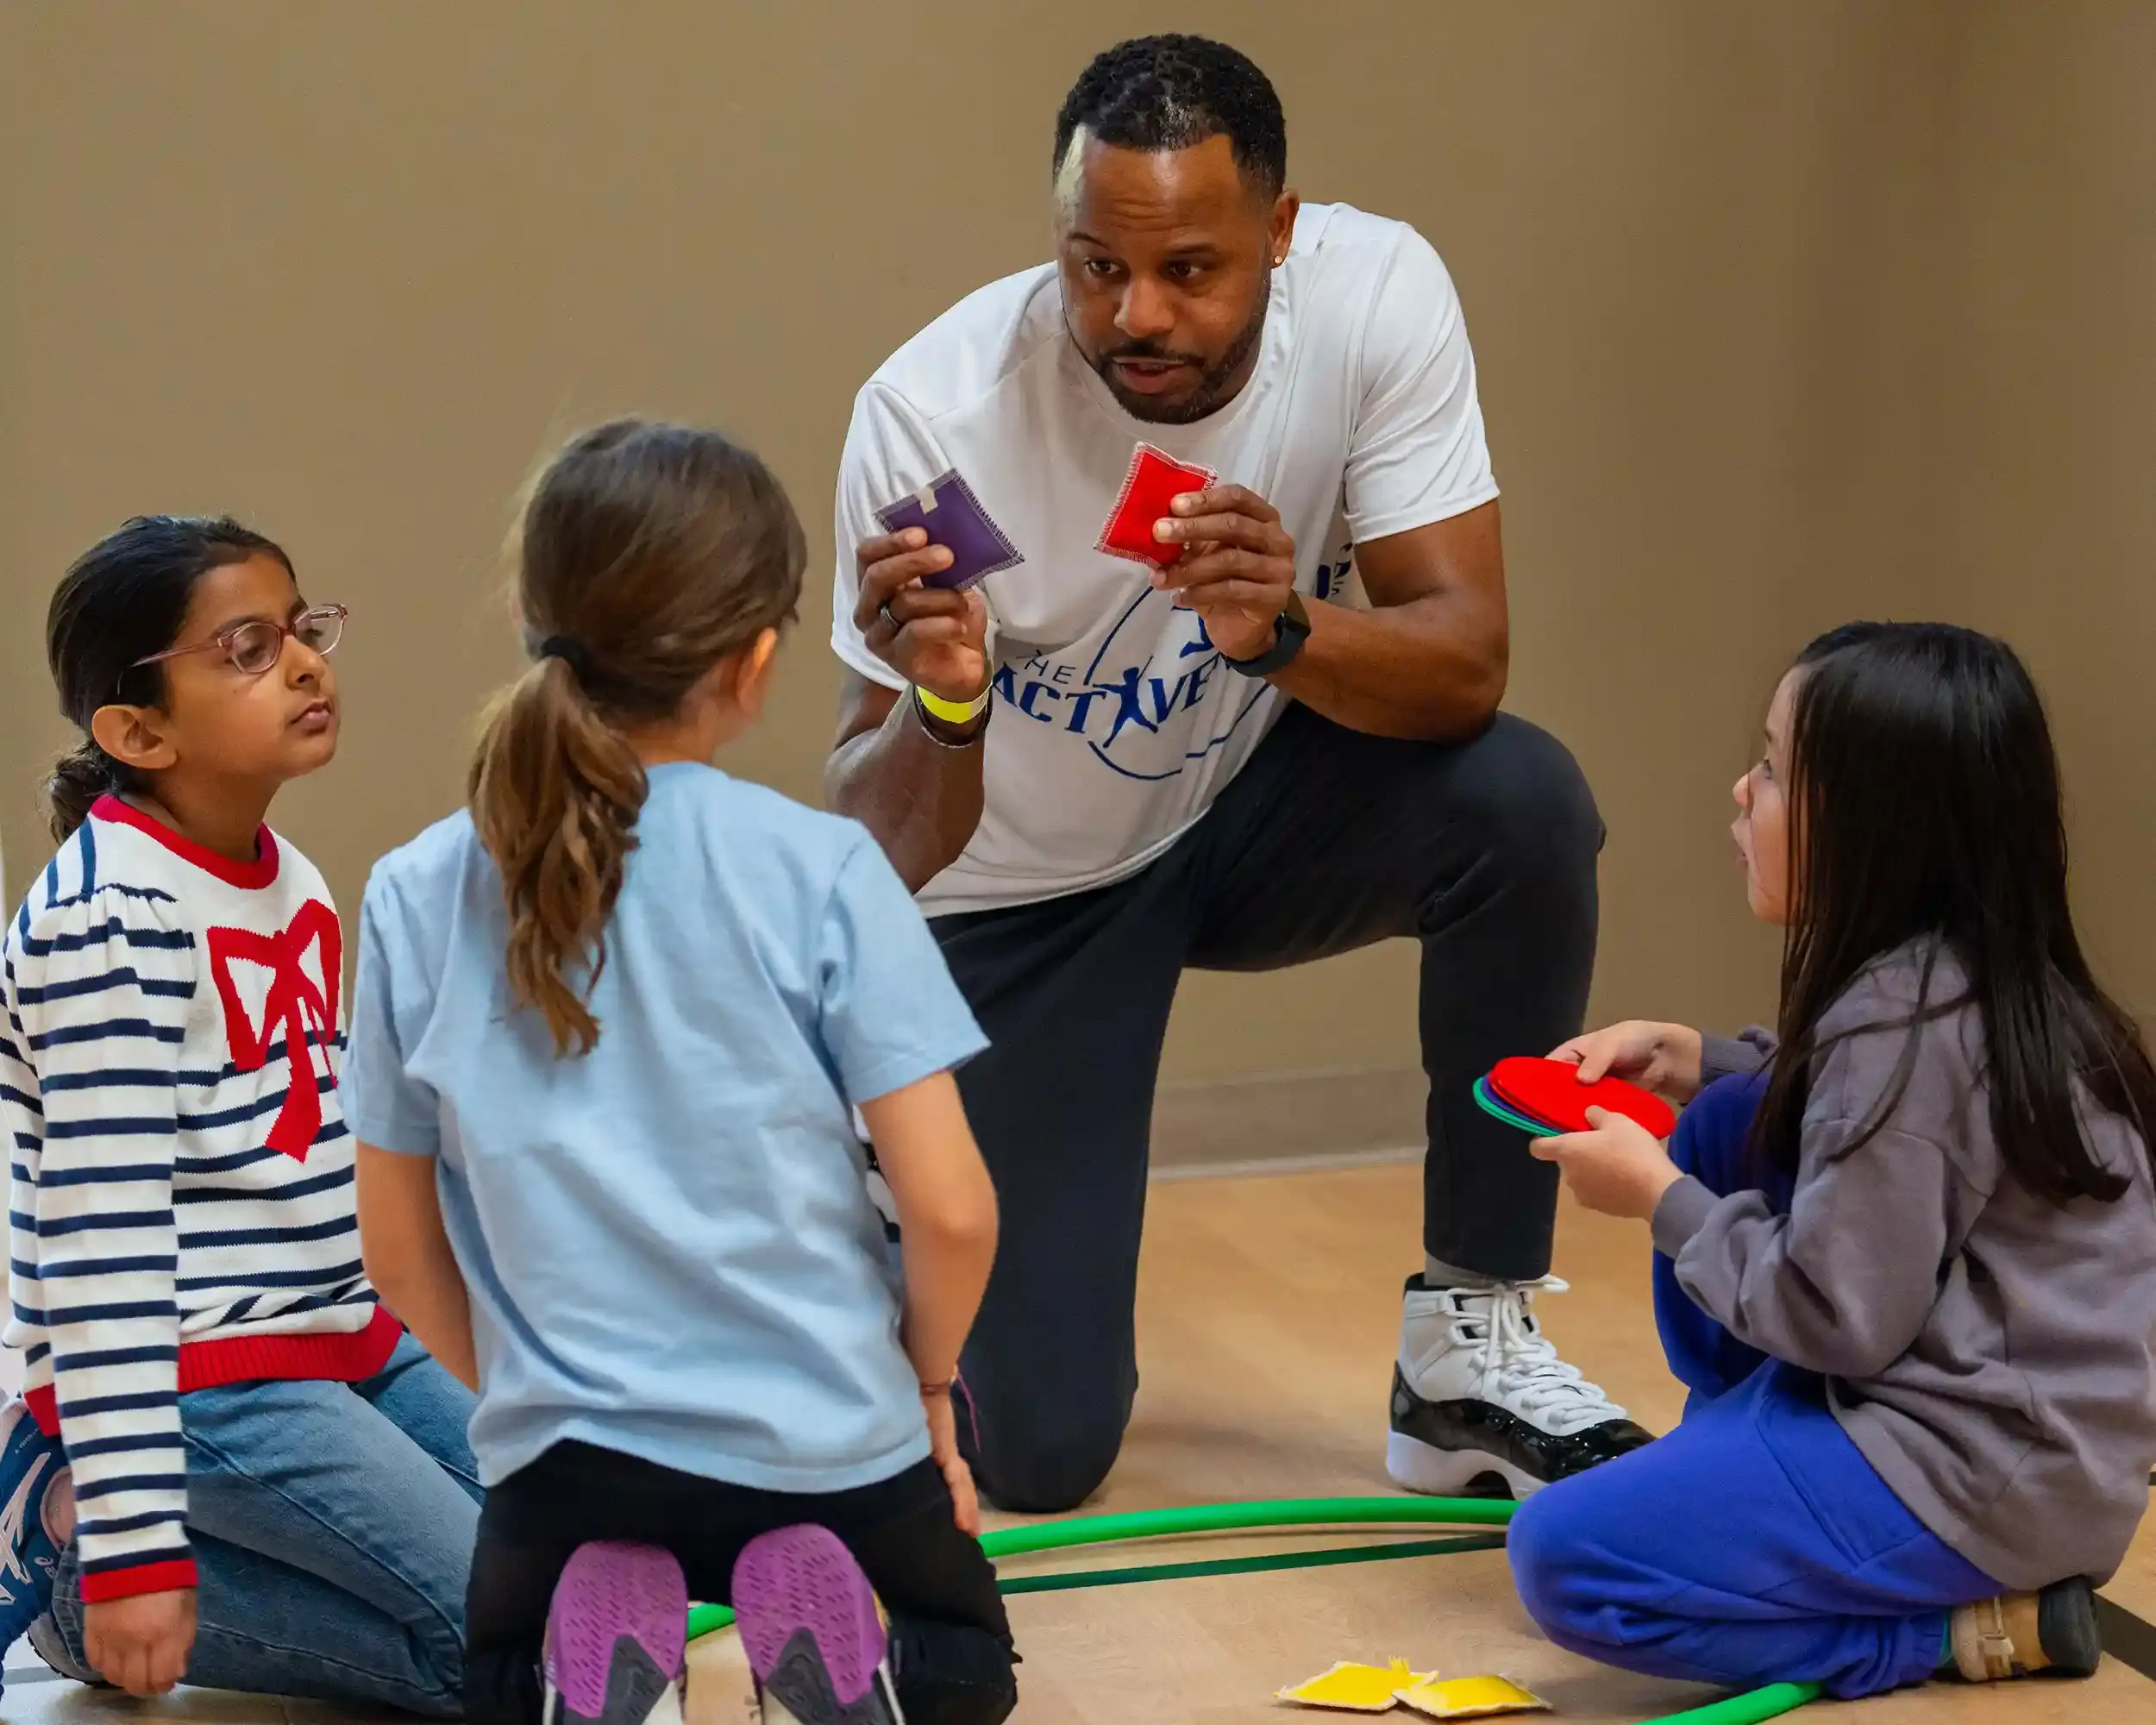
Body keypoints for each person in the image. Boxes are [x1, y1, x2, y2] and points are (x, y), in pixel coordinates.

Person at [824, 33, 1641, 1513]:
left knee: (1523, 807)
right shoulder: (940, 418)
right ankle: (878, 1197)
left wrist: (1282, 633)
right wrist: (942, 710)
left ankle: (1469, 1339)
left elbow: (1466, 660)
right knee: (1049, 1452)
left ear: (1281, 232)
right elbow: (872, 852)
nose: (1134, 313)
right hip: (1024, 894)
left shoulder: (1377, 297)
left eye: (1189, 270)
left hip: (1250, 800)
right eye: (1093, 265)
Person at [345, 420, 1018, 1725]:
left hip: (566, 1465)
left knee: (492, 1681)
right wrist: (926, 1391)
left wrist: (536, 1389)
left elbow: (395, 1241)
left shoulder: (415, 890)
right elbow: (951, 1210)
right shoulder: (820, 872)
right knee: (964, 1667)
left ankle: (597, 1625)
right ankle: (833, 1616)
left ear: (539, 620)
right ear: (755, 658)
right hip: (831, 1446)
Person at [1507, 623, 2156, 1697]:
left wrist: (1656, 1197)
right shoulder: (1969, 982)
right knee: (1726, 1111)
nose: (1739, 788)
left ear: (1871, 826)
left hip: (1982, 1483)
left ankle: (1954, 1632)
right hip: (2019, 1445)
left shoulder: (1901, 1032)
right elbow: (1877, 1132)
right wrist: (1696, 1056)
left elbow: (1833, 1312)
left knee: (1566, 1559)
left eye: (1770, 768)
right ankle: (1753, 1460)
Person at [0, 516, 481, 1712]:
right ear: (137, 730)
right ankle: (67, 1571)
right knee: (523, 1650)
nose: (309, 663)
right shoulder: (107, 924)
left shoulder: (292, 879)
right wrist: (137, 1549)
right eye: (249, 648)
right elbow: (100, 1246)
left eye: (303, 628)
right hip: (197, 1371)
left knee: (589, 1575)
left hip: (338, 1338)